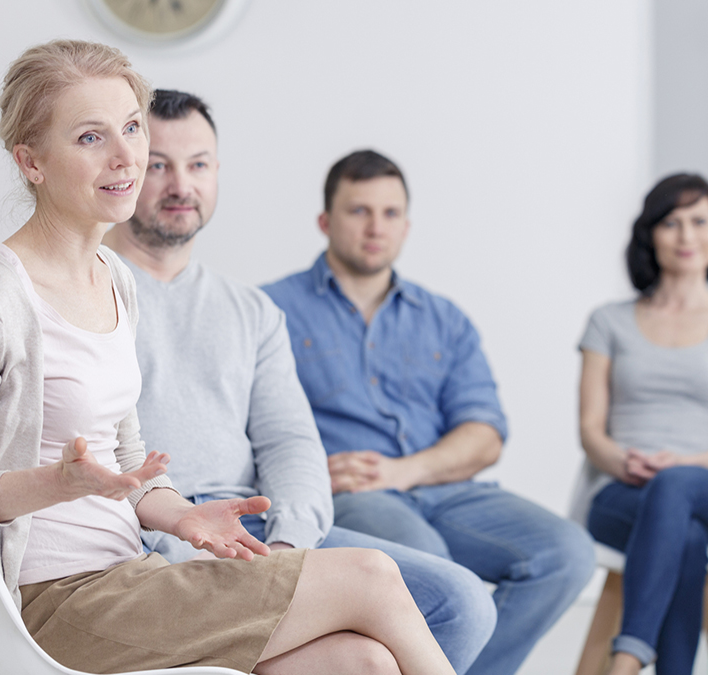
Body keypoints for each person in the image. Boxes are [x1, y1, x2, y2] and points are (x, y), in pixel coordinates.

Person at [0, 40, 453, 675]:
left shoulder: (111, 278)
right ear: (31, 161)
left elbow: (127, 464)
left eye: (130, 127)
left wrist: (184, 517)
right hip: (60, 605)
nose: (128, 155)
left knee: (360, 661)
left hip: (129, 575)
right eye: (91, 137)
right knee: (372, 574)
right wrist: (53, 485)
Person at [101, 89, 495, 673]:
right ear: (129, 168)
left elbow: (291, 442)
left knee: (460, 604)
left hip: (262, 532)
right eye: (159, 163)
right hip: (161, 535)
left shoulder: (251, 309)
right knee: (368, 659)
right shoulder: (90, 291)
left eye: (199, 164)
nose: (181, 184)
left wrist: (285, 553)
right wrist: (175, 538)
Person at [262, 149, 595, 675]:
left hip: (444, 488)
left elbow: (484, 434)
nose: (377, 227)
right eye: (359, 211)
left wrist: (406, 470)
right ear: (325, 221)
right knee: (431, 561)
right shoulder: (270, 311)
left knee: (568, 553)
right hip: (352, 496)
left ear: (407, 225)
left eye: (391, 214)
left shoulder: (444, 320)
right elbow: (249, 427)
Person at [576, 173, 708, 675]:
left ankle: (626, 659)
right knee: (682, 537)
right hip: (622, 492)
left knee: (677, 488)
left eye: (699, 222)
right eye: (672, 222)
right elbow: (590, 429)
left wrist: (686, 463)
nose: (687, 236)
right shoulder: (608, 321)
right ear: (651, 235)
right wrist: (620, 458)